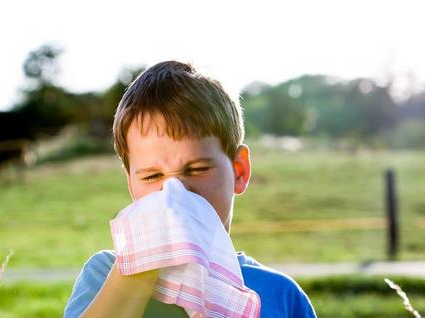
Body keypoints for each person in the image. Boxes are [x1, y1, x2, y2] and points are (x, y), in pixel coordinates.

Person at [64, 61, 317, 317]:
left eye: (197, 169)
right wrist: (138, 270)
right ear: (131, 185)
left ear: (239, 171)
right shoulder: (104, 275)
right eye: (153, 176)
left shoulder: (281, 295)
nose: (176, 195)